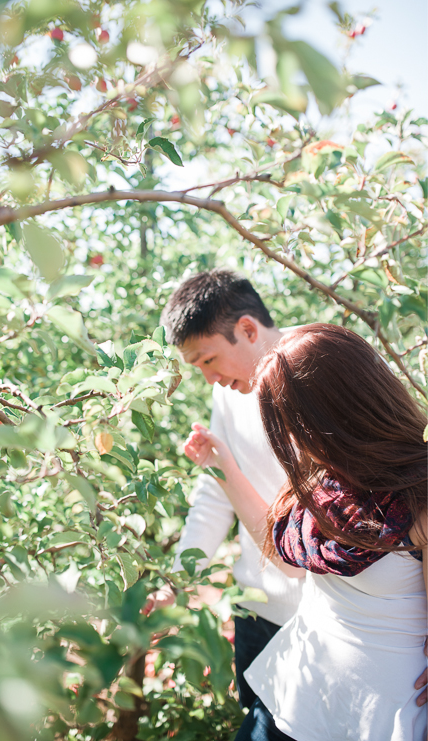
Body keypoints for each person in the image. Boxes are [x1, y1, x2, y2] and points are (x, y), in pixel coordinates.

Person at [184, 323, 427, 741]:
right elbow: (287, 562)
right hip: (300, 691)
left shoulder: (419, 497)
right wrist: (222, 466)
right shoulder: (327, 486)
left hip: (382, 714)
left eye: (289, 423)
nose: (291, 440)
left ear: (335, 412)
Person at [147, 269, 304, 711]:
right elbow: (217, 491)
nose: (208, 378)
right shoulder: (230, 392)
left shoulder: (321, 371)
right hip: (256, 609)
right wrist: (178, 582)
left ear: (248, 330)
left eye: (208, 360)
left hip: (324, 617)